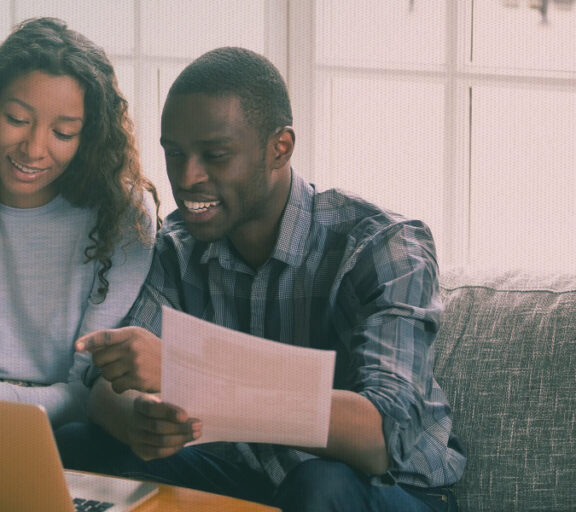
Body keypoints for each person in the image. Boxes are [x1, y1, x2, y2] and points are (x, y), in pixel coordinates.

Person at [58, 47, 467, 511]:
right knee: (80, 444)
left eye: (215, 155)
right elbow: (102, 382)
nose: (188, 177)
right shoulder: (176, 246)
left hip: (384, 490)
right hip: (249, 481)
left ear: (280, 147)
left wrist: (192, 373)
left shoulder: (380, 245)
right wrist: (134, 415)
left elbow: (379, 436)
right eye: (175, 154)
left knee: (320, 486)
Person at [0, 17, 158, 428]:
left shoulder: (124, 214)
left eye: (63, 132)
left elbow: (83, 393)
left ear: (87, 138)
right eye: (17, 120)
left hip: (59, 429)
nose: (34, 149)